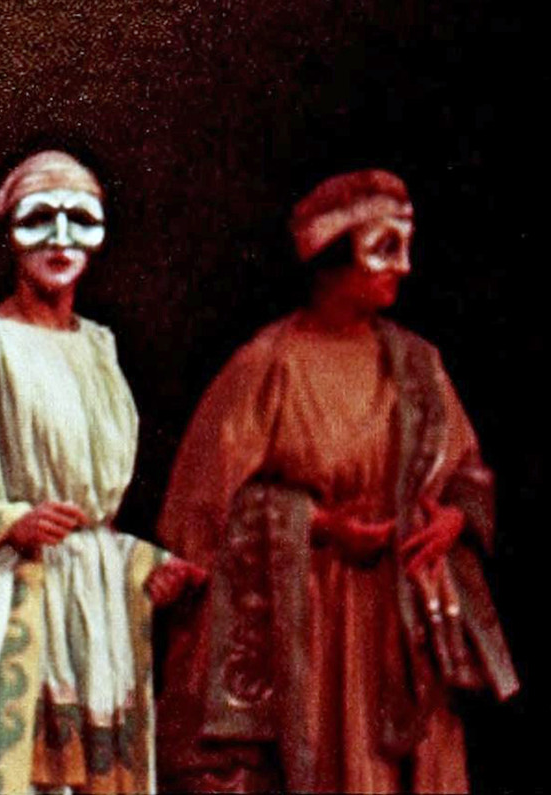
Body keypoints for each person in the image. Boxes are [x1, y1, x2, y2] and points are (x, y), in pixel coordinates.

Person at [155, 169, 518, 793]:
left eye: (406, 247)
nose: (403, 267)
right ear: (331, 256)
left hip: (404, 621)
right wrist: (317, 524)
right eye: (384, 248)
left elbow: (467, 471)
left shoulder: (417, 364)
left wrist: (454, 518)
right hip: (314, 626)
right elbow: (199, 513)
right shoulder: (268, 365)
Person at [0, 149, 204, 794]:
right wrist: (7, 521)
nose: (60, 239)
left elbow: (92, 510)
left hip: (95, 618)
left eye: (80, 220)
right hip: (10, 602)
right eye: (39, 218)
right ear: (10, 231)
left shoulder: (99, 346)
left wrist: (134, 560)